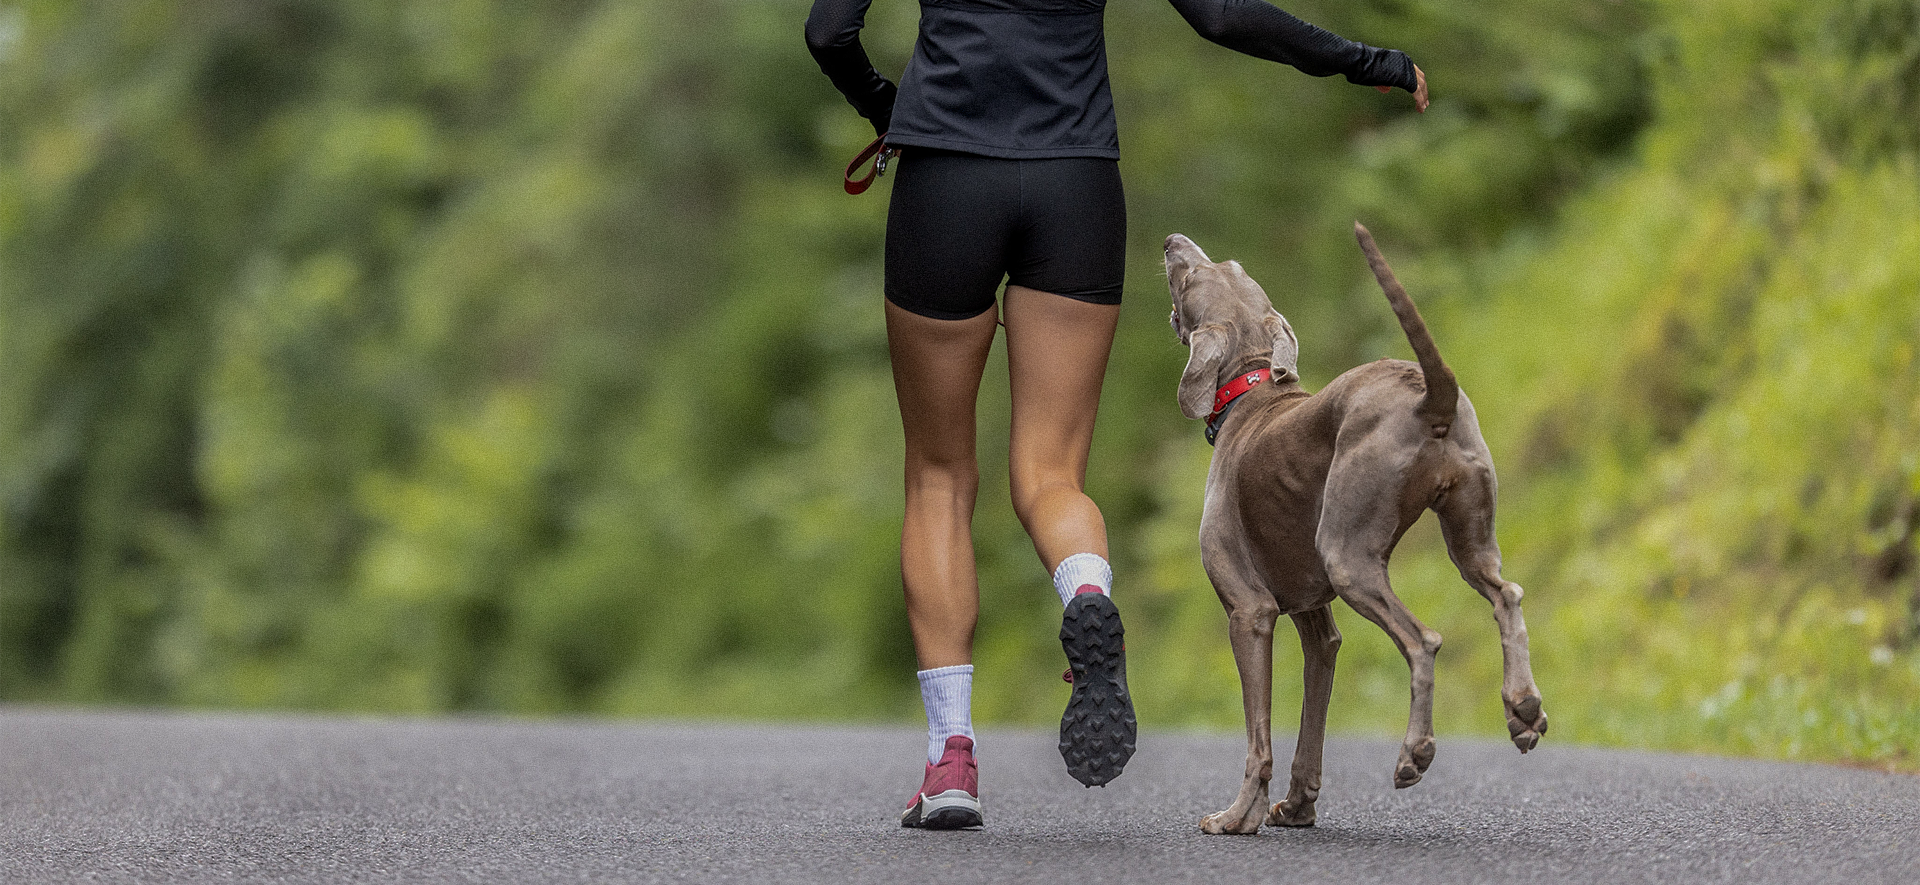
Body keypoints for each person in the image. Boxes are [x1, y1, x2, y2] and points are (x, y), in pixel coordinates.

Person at [804, 0, 1428, 830]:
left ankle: (951, 759)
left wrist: (890, 108)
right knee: (1050, 474)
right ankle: (1087, 591)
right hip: (1074, 186)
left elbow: (829, 32)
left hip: (946, 178)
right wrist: (1370, 61)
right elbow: (1222, 15)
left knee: (940, 477)